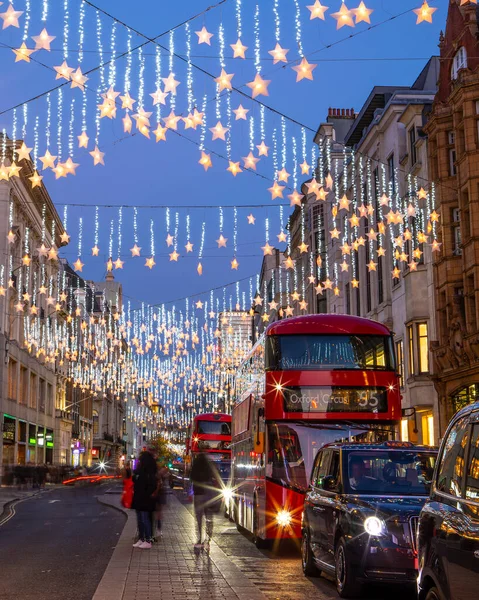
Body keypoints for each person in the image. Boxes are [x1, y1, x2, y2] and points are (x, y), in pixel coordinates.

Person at [190, 453, 219, 552]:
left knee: (198, 518)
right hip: (209, 493)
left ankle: (199, 540)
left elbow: (191, 478)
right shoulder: (209, 465)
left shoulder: (196, 465)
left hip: (198, 493)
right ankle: (208, 540)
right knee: (209, 518)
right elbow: (216, 476)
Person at [131, 451, 158, 549]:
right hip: (139, 498)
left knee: (144, 519)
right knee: (140, 519)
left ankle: (148, 539)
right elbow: (135, 479)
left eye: (140, 460)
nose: (138, 461)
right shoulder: (140, 471)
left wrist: (146, 494)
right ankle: (142, 538)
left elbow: (151, 486)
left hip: (144, 499)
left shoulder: (149, 473)